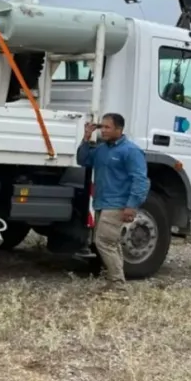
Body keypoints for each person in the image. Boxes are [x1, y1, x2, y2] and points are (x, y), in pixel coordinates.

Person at [77, 112, 150, 292]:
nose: (103, 130)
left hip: (118, 203)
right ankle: (115, 282)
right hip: (101, 202)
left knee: (103, 242)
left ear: (119, 129)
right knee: (111, 242)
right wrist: (86, 137)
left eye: (107, 127)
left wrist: (131, 206)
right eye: (102, 126)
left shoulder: (131, 151)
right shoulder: (101, 149)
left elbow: (140, 180)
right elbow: (83, 160)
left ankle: (118, 285)